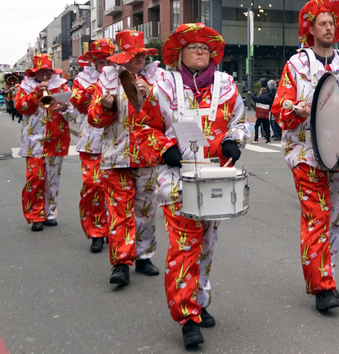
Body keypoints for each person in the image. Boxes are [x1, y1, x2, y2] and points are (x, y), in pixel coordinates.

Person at [154, 23, 249, 348]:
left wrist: (234, 141)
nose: (200, 50)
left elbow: (239, 123)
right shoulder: (163, 85)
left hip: (214, 178)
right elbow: (145, 126)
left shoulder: (227, 86)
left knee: (207, 244)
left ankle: (198, 296)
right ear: (179, 53)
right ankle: (187, 316)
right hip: (177, 180)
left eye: (205, 47)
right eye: (192, 46)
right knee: (184, 246)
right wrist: (163, 147)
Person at [271, 0, 339, 312]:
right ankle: (322, 286)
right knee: (317, 215)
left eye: (332, 23)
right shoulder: (296, 64)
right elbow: (281, 110)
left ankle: (327, 273)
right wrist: (296, 110)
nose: (329, 27)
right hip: (306, 153)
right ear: (311, 28)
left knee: (336, 218)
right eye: (322, 23)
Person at [87, 30, 169, 286]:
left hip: (147, 156)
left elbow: (167, 117)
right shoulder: (107, 80)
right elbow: (94, 119)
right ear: (123, 57)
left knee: (146, 210)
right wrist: (106, 106)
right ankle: (121, 262)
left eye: (143, 54)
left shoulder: (159, 79)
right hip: (116, 155)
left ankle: (144, 256)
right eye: (135, 55)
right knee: (119, 211)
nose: (140, 59)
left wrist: (150, 96)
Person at [14, 54, 77, 231]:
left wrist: (65, 107)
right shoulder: (25, 88)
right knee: (35, 178)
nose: (45, 75)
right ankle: (35, 214)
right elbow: (21, 108)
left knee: (52, 180)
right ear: (34, 73)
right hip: (33, 140)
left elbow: (73, 115)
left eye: (47, 71)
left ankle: (50, 213)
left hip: (56, 139)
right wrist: (36, 92)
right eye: (41, 72)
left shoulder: (62, 86)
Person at [70, 39, 115, 252]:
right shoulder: (82, 79)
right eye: (100, 61)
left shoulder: (122, 76)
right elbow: (79, 103)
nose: (104, 64)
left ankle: (117, 231)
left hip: (118, 141)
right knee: (93, 187)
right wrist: (98, 86)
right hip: (91, 141)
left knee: (118, 190)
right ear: (94, 61)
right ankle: (97, 231)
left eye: (108, 60)